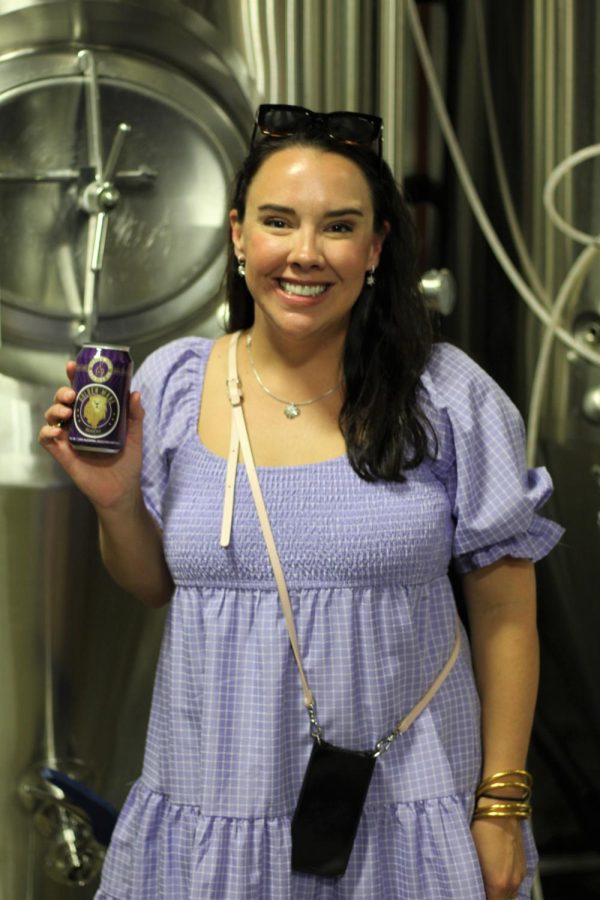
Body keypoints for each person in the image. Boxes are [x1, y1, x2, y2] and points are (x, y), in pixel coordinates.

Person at [40, 104, 563, 900]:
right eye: (279, 222)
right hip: (213, 809)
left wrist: (501, 799)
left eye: (340, 226)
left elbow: (506, 614)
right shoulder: (177, 386)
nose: (305, 254)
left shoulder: (449, 397)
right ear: (239, 234)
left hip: (410, 812)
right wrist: (116, 502)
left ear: (377, 247)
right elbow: (153, 585)